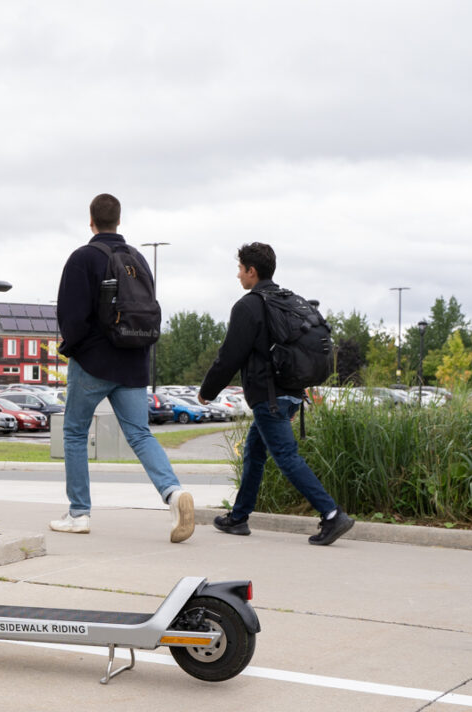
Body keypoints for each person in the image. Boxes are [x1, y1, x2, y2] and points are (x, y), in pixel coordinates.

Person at [53, 193, 194, 543]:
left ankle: (79, 513)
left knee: (74, 434)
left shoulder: (83, 258)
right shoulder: (138, 259)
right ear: (119, 220)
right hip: (133, 362)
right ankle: (174, 494)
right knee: (140, 434)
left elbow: (70, 316)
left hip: (94, 363)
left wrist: (73, 350)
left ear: (91, 221)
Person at [198, 242, 354, 546]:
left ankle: (333, 514)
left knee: (286, 457)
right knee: (254, 452)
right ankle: (239, 518)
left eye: (240, 269)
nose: (238, 275)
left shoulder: (249, 305)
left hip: (270, 399)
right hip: (292, 394)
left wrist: (207, 392)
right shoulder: (288, 299)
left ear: (251, 271)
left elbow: (230, 355)